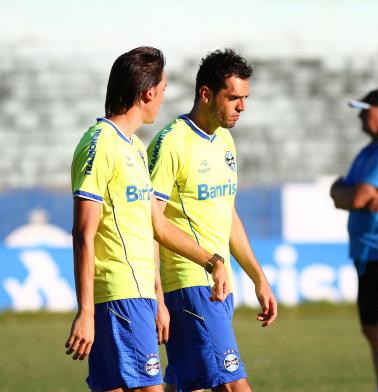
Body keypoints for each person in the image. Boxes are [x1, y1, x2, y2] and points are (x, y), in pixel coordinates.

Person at [64, 47, 230, 392]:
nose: (164, 99)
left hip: (139, 296)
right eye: (164, 90)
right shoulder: (99, 144)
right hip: (119, 295)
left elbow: (158, 225)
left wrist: (208, 263)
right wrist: (86, 312)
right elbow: (83, 233)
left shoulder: (136, 148)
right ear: (147, 93)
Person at [147, 49, 277, 392]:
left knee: (187, 385)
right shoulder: (171, 142)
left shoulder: (225, 140)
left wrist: (258, 278)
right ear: (206, 94)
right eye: (233, 97)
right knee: (234, 385)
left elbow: (228, 215)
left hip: (220, 285)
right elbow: (152, 221)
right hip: (191, 284)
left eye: (245, 98)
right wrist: (161, 293)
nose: (242, 107)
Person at [330, 89, 378, 392]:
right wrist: (348, 193)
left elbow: (353, 195)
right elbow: (338, 191)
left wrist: (350, 194)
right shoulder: (368, 152)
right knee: (372, 328)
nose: (360, 116)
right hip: (367, 253)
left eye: (366, 110)